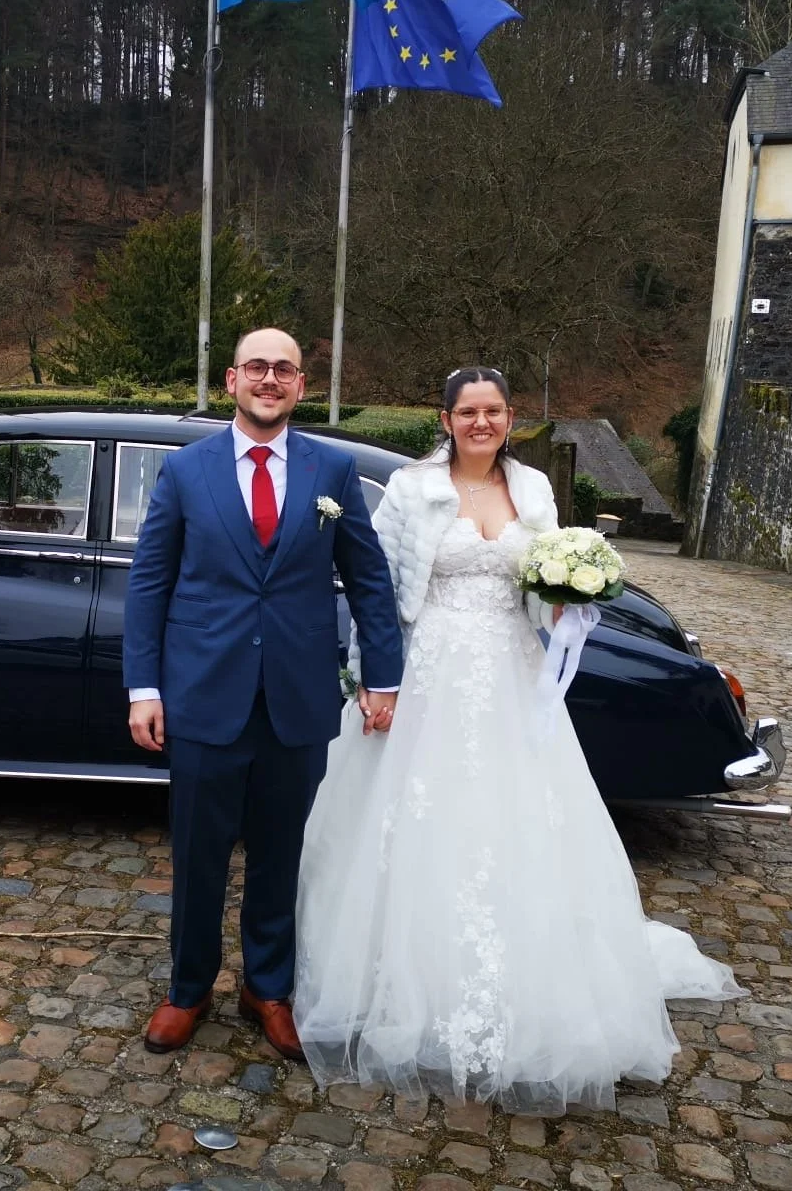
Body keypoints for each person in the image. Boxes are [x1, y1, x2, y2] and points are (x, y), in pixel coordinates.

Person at [294, 367, 742, 1112]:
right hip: (428, 673)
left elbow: (538, 580)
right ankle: (403, 979)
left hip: (511, 674)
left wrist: (573, 601)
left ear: (509, 418)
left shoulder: (533, 489)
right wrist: (373, 680)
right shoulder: (410, 491)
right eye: (467, 411)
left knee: (517, 819)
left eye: (494, 411)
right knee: (417, 824)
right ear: (444, 419)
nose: (481, 423)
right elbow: (375, 590)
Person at [124, 328, 405, 1060]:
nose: (270, 378)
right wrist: (144, 688)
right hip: (203, 693)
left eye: (284, 369)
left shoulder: (334, 472)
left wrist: (383, 677)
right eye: (257, 367)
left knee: (283, 854)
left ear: (301, 385)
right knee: (199, 855)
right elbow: (150, 582)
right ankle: (188, 990)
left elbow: (370, 581)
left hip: (297, 699)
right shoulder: (187, 471)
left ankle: (267, 988)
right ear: (232, 380)